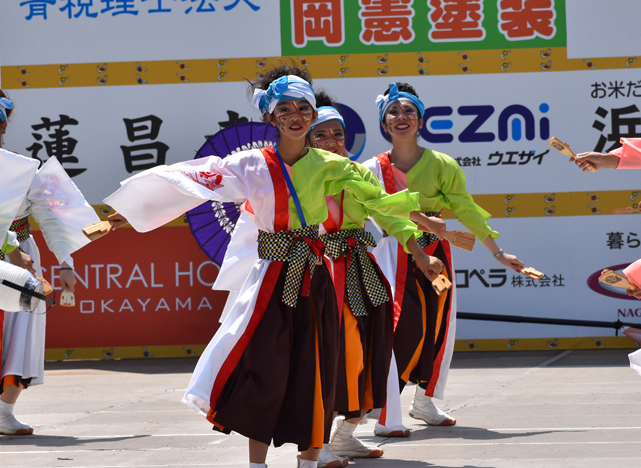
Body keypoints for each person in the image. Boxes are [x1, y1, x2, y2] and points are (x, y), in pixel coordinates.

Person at [103, 66, 439, 468]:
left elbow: (378, 201)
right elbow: (192, 179)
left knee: (316, 373)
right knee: (264, 371)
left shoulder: (333, 167)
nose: (295, 115)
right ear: (270, 117)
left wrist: (423, 226)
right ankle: (256, 464)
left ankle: (310, 460)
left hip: (314, 278)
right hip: (271, 279)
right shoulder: (250, 164)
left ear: (313, 115)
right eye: (285, 109)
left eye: (303, 108)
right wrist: (131, 208)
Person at [363, 82, 525, 436]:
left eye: (409, 111)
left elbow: (465, 209)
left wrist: (497, 252)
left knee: (438, 327)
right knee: (401, 330)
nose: (401, 117)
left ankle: (424, 400)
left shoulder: (441, 164)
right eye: (393, 112)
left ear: (421, 121)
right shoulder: (371, 169)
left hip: (437, 255)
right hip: (396, 255)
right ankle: (382, 409)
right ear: (384, 123)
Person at [305, 93, 445, 466]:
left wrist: (420, 253)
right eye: (322, 135)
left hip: (361, 274)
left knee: (372, 355)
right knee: (334, 358)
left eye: (338, 133)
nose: (334, 141)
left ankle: (346, 435)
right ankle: (315, 446)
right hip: (321, 277)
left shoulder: (358, 174)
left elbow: (390, 214)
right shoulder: (299, 176)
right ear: (307, 140)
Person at [0, 88, 84, 444]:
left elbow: (55, 217)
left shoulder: (25, 167)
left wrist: (66, 264)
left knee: (22, 342)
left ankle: (5, 415)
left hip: (24, 256)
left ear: (4, 124)